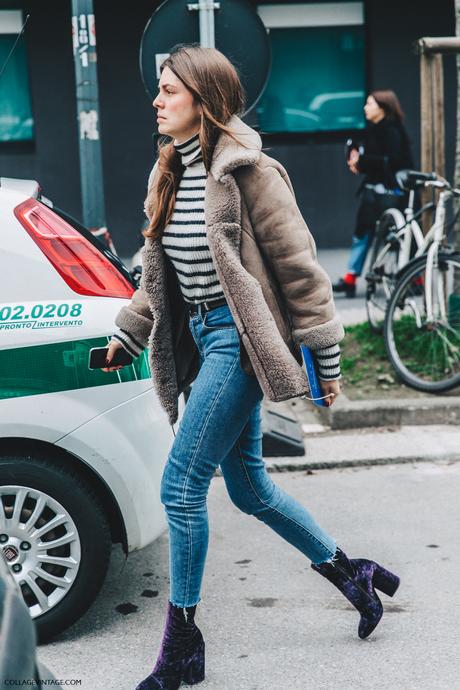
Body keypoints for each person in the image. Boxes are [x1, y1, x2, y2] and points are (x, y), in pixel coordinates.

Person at [103, 46, 400, 690]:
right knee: (248, 489)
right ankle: (355, 575)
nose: (156, 101)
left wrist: (326, 356)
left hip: (241, 344)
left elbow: (300, 270)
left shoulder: (251, 171)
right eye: (158, 90)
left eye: (169, 92)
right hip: (203, 338)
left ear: (204, 102)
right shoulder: (170, 172)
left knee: (181, 486)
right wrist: (129, 333)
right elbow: (158, 274)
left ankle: (182, 642)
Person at [333, 90, 413, 297]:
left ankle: (415, 277)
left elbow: (392, 161)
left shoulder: (393, 130)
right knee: (362, 233)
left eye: (370, 104)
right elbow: (376, 162)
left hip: (391, 192)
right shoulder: (373, 129)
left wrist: (362, 161)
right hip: (373, 191)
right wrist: (359, 163)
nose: (365, 108)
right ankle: (350, 278)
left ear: (383, 107)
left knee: (398, 235)